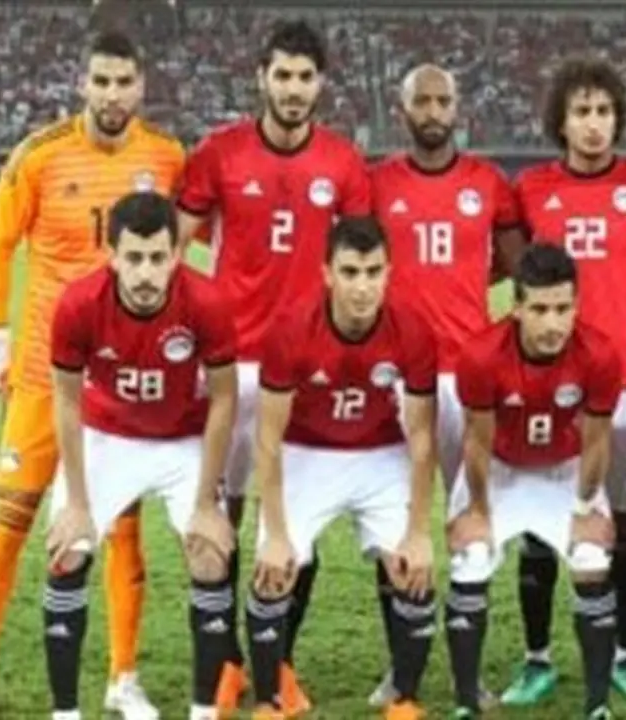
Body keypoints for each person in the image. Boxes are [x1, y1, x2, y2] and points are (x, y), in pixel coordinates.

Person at [0, 31, 185, 720]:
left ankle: (122, 679)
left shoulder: (166, 157)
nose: (112, 95)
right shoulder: (40, 154)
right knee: (12, 520)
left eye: (124, 82)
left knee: (123, 529)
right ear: (83, 83)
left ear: (142, 86)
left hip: (121, 379)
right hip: (40, 377)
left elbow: (180, 248)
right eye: (101, 81)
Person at [175, 20, 372, 714]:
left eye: (305, 77)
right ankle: (225, 659)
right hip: (228, 365)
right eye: (282, 75)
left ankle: (279, 659)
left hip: (308, 369)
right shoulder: (218, 153)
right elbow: (175, 249)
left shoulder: (343, 162)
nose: (293, 89)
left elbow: (361, 263)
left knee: (296, 522)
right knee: (220, 513)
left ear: (321, 84)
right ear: (261, 77)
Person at [504, 56, 626, 707]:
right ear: (561, 121)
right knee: (541, 522)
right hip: (551, 383)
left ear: (617, 119)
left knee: (625, 525)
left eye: (603, 112)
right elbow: (518, 268)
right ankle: (537, 657)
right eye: (582, 112)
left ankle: (624, 651)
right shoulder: (532, 188)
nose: (594, 124)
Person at [41, 192, 238, 720]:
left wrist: (206, 504)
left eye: (157, 258)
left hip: (183, 439)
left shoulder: (207, 302)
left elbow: (224, 398)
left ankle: (203, 712)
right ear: (113, 256)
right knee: (67, 550)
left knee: (210, 554)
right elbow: (66, 400)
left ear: (176, 255)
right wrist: (77, 503)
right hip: (108, 436)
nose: (146, 273)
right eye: (133, 258)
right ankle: (65, 714)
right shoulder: (79, 304)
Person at [365, 62, 524, 708]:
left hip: (467, 376)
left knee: (467, 519)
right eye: (421, 101)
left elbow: (516, 267)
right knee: (392, 522)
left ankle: (467, 671)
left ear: (458, 108)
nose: (433, 111)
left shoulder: (488, 183)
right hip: (394, 376)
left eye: (442, 100)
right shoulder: (377, 184)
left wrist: (462, 290)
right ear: (402, 110)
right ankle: (399, 666)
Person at [245, 217, 438, 720]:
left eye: (373, 272)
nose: (362, 286)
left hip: (380, 453)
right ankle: (268, 700)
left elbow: (422, 438)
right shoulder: (291, 329)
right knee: (273, 570)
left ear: (389, 272)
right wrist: (276, 534)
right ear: (327, 273)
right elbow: (267, 438)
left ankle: (404, 700)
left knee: (413, 568)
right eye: (350, 272)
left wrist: (419, 532)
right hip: (305, 452)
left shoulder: (413, 330)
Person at [446, 243, 622, 720]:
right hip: (499, 470)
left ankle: (597, 706)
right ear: (517, 307)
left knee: (591, 558)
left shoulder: (600, 354)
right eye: (540, 309)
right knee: (471, 559)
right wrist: (478, 511)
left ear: (576, 306)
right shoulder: (481, 356)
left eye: (563, 309)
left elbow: (597, 443)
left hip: (565, 469)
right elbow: (477, 442)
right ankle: (466, 703)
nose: (552, 323)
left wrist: (585, 510)